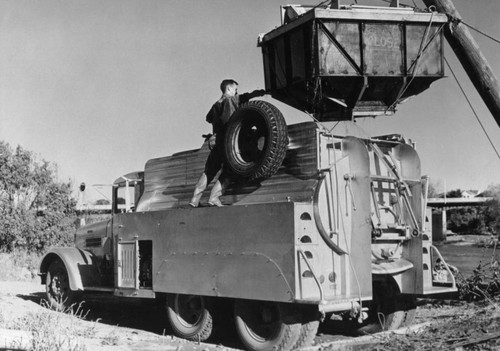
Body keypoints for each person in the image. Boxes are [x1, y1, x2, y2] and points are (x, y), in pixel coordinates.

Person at [189, 79, 265, 207]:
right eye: (235, 89)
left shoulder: (216, 104)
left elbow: (208, 118)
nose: (236, 92)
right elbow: (247, 96)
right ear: (228, 89)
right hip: (229, 142)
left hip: (217, 142)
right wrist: (260, 92)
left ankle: (194, 200)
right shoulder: (232, 100)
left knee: (209, 171)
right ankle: (214, 197)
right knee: (230, 171)